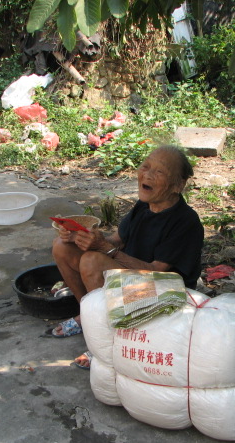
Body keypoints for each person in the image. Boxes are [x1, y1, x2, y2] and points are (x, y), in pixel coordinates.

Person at [46, 145, 204, 369]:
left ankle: (106, 342)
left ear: (178, 185)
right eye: (145, 166)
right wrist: (81, 238)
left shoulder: (186, 221)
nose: (147, 175)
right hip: (132, 278)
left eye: (159, 171)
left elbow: (156, 272)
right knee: (62, 246)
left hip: (165, 292)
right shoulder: (143, 206)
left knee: (92, 261)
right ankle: (89, 318)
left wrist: (104, 249)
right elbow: (116, 240)